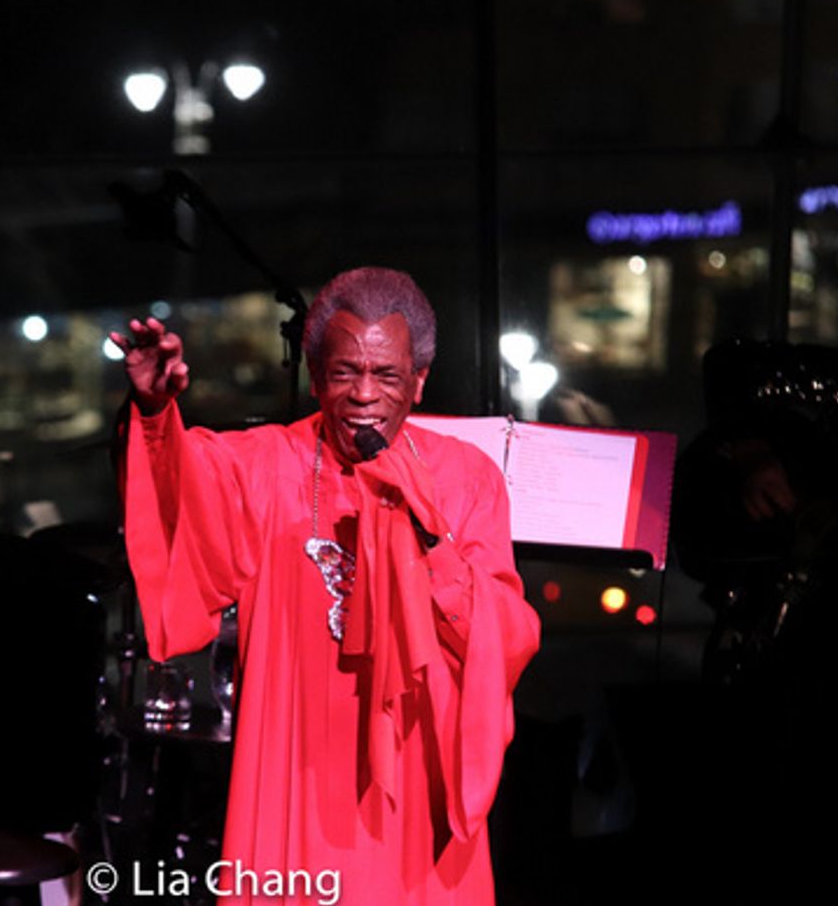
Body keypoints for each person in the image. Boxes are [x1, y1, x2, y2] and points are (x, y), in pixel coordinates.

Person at [112, 267, 540, 904]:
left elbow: (503, 642)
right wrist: (154, 412)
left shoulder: (465, 478)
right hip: (294, 776)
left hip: (415, 788)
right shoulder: (266, 466)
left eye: (386, 375)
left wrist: (430, 535)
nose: (363, 394)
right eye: (344, 373)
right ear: (316, 379)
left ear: (418, 382)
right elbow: (179, 494)